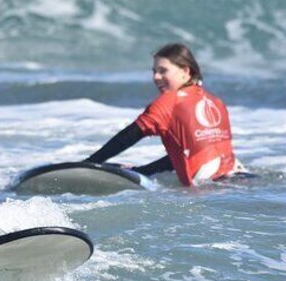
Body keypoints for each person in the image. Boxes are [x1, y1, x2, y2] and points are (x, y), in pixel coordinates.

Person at [84, 43, 245, 186]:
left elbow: (128, 136)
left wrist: (88, 165)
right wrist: (143, 170)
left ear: (185, 71)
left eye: (163, 71)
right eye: (154, 71)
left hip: (212, 187)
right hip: (240, 181)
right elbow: (191, 153)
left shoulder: (170, 101)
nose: (156, 77)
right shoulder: (216, 102)